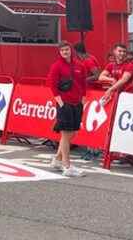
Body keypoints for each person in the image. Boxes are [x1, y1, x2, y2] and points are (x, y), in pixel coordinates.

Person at [47, 41, 86, 177]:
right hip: (65, 103)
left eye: (67, 50)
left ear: (71, 51)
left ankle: (57, 160)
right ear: (60, 52)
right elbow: (51, 84)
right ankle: (67, 166)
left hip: (77, 103)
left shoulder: (80, 65)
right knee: (65, 134)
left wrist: (83, 97)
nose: (65, 52)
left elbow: (83, 83)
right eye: (62, 50)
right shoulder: (56, 66)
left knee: (72, 133)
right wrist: (59, 101)